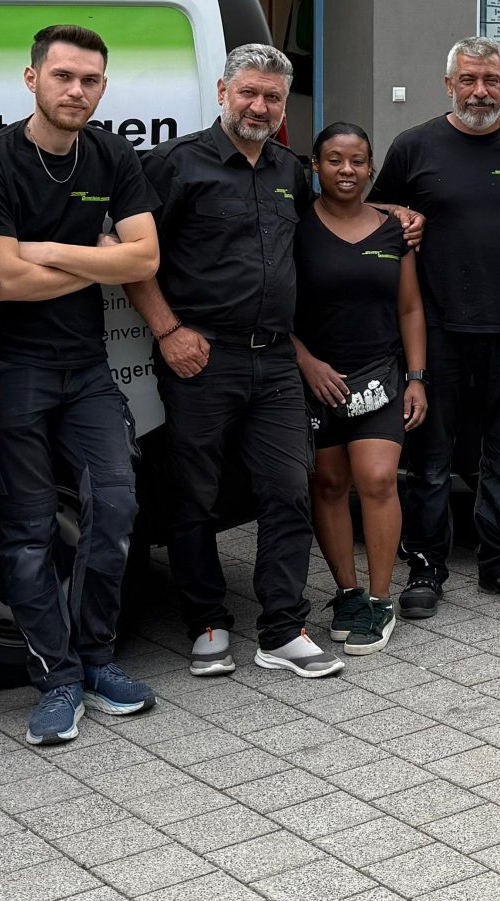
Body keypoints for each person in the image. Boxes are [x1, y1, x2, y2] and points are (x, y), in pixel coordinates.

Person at [0, 26, 163, 747]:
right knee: (28, 531)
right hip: (14, 371)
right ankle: (57, 678)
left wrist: (45, 251)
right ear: (32, 78)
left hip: (88, 369)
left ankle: (97, 659)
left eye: (90, 80)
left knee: (116, 506)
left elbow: (145, 258)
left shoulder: (112, 154)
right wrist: (96, 259)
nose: (77, 91)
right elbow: (3, 282)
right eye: (64, 76)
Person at [125, 44, 341, 680]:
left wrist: (397, 215)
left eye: (272, 97)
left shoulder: (289, 170)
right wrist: (168, 332)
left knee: (288, 490)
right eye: (248, 92)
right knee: (193, 494)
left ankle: (283, 629)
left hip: (274, 361)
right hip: (201, 358)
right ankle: (207, 622)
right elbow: (134, 257)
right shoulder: (174, 164)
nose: (259, 106)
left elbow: (331, 223)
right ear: (223, 92)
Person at [371, 38, 500, 612]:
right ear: (448, 85)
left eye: (491, 81)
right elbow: (371, 209)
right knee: (429, 462)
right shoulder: (414, 147)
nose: (479, 92)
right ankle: (425, 570)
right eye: (468, 80)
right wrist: (398, 211)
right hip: (436, 331)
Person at [296, 124, 431, 651]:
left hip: (380, 374)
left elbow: (410, 308)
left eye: (357, 161)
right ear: (315, 166)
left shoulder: (394, 231)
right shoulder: (296, 226)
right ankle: (347, 592)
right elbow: (272, 304)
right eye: (334, 159)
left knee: (376, 479)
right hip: (316, 378)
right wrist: (306, 362)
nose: (346, 170)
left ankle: (379, 600)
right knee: (329, 483)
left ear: (371, 168)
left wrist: (416, 378)